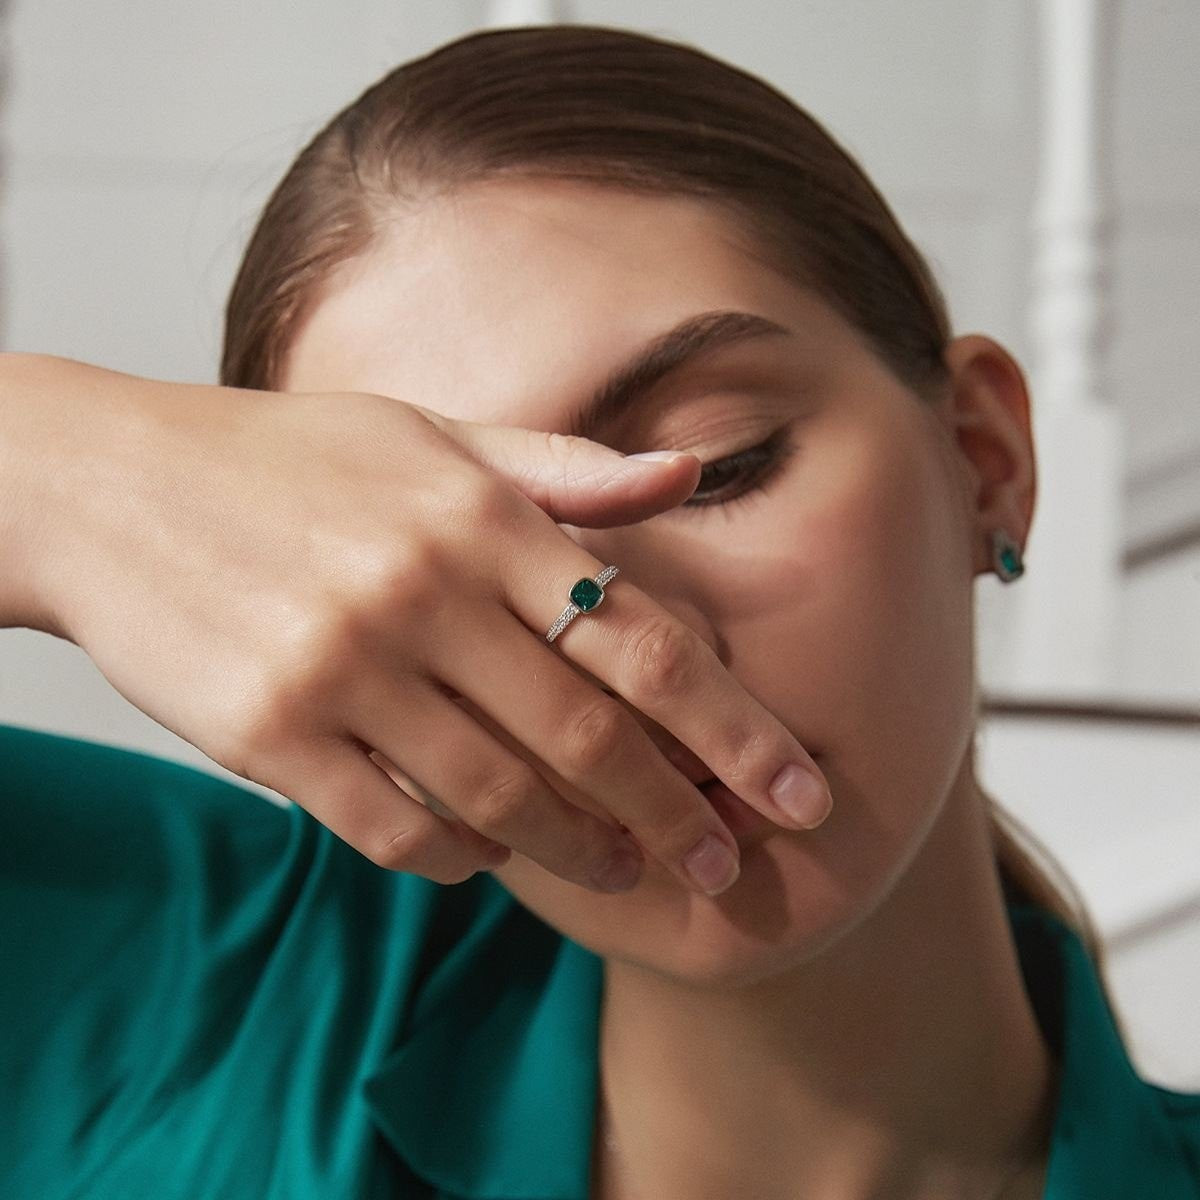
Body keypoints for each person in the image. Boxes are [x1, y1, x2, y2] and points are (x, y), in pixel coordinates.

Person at [0, 22, 1196, 1200]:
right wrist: (57, 476)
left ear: (984, 459)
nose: (634, 656)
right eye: (454, 580)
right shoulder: (189, 989)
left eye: (718, 464)